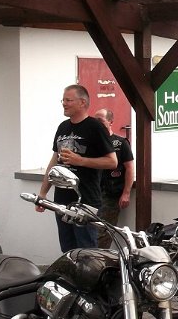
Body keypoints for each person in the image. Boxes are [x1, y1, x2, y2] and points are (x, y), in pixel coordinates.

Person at [38, 84, 117, 251]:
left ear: (82, 102)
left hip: (85, 200)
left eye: (68, 100)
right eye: (63, 100)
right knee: (68, 250)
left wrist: (80, 161)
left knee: (86, 250)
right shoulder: (63, 127)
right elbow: (54, 161)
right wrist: (43, 193)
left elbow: (112, 162)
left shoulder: (95, 127)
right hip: (62, 199)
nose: (64, 104)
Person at [93, 108, 135, 248]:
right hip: (93, 193)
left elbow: (130, 168)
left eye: (100, 120)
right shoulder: (92, 142)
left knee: (103, 231)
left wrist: (126, 193)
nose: (97, 123)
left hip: (111, 194)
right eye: (95, 120)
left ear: (110, 122)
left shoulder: (121, 143)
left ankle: (100, 258)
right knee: (89, 229)